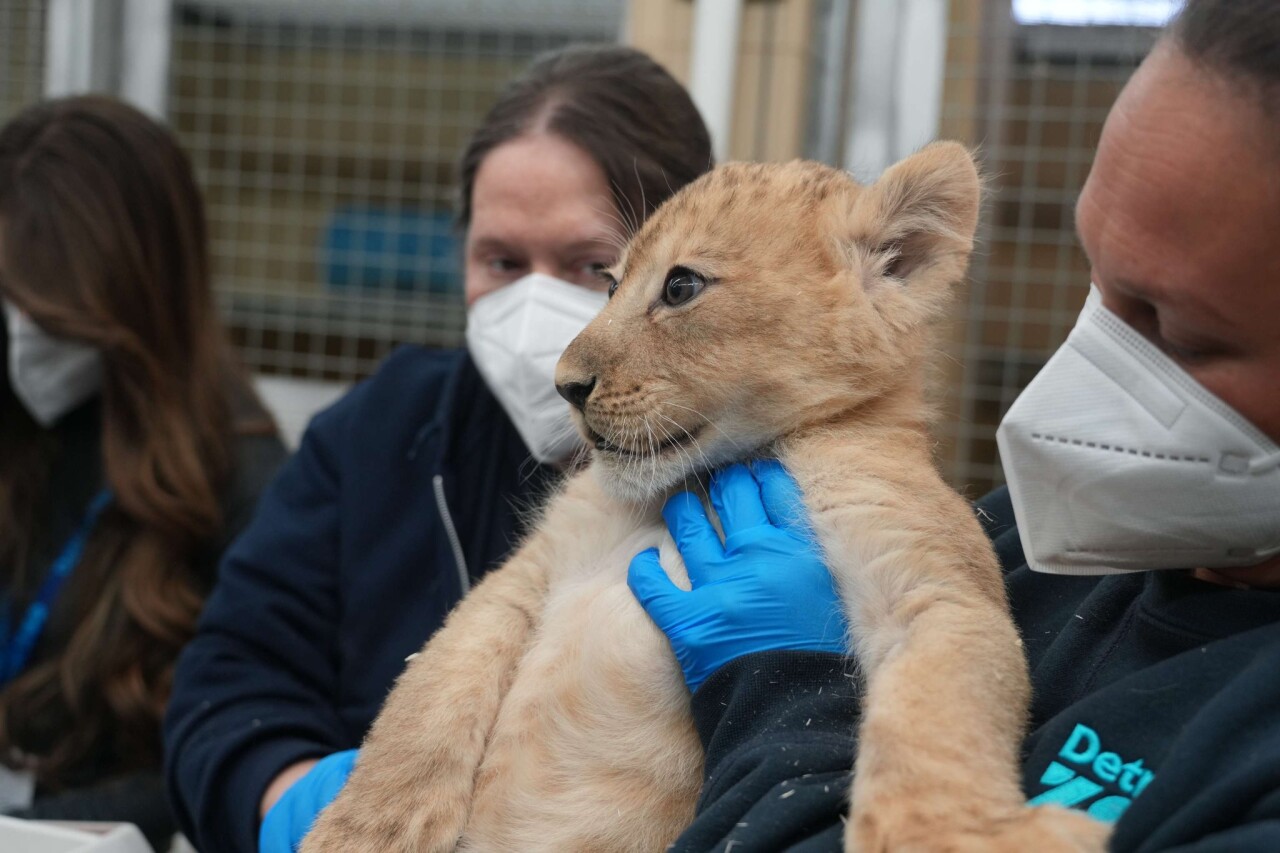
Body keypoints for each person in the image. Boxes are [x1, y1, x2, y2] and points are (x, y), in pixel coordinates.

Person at [629, 0, 1280, 849]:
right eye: (1095, 281)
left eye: (1177, 327)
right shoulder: (1057, 530)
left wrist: (783, 692)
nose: (1088, 362)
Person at [162, 44, 713, 853]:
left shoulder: (746, 476)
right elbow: (226, 689)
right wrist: (299, 800)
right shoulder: (380, 432)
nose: (534, 304)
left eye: (592, 268)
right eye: (501, 261)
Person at [0, 96, 286, 850]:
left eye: (49, 309)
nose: (23, 331)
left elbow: (219, 755)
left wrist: (26, 829)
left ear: (131, 292)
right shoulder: (23, 417)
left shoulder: (246, 481)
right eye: (8, 295)